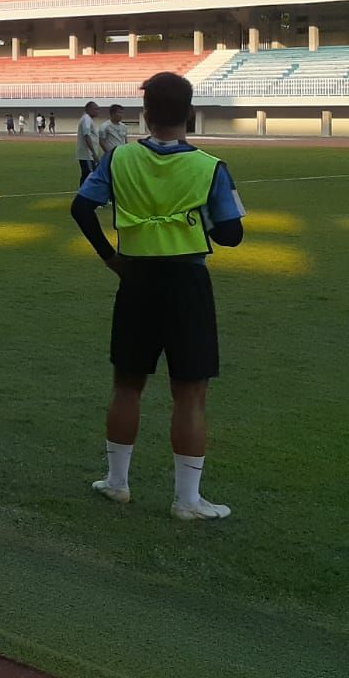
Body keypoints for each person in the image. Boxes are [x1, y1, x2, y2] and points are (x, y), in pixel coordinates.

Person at [71, 71, 244, 521]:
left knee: (127, 385)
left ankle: (117, 483)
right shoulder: (210, 166)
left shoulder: (119, 159)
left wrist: (111, 257)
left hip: (137, 281)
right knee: (190, 394)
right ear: (189, 113)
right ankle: (187, 501)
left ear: (145, 115)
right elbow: (231, 235)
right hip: (187, 283)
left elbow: (81, 207)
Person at [76, 101, 102, 181]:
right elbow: (86, 135)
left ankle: (83, 192)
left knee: (87, 175)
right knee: (89, 176)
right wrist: (93, 153)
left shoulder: (88, 119)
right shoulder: (86, 119)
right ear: (89, 109)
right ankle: (84, 192)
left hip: (88, 154)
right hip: (87, 155)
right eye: (95, 109)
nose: (98, 111)